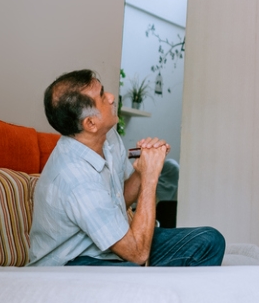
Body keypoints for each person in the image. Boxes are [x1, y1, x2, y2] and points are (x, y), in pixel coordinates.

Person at [28, 69, 225, 268]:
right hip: (70, 264)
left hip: (109, 251)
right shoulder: (75, 177)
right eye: (102, 96)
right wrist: (149, 180)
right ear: (90, 123)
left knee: (209, 240)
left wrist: (141, 169)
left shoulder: (108, 138)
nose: (112, 97)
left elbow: (118, 196)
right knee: (132, 270)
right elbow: (137, 254)